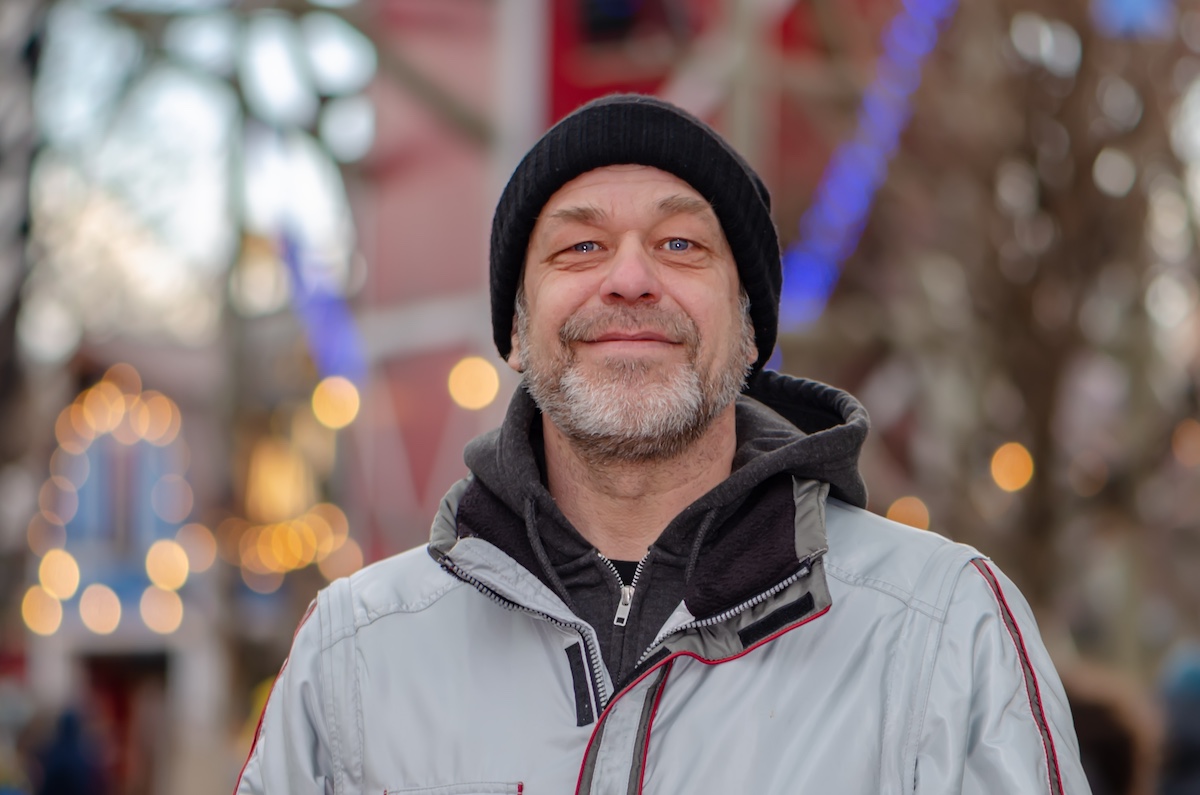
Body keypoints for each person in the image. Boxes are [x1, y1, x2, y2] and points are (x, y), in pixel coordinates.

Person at [236, 94, 1089, 794]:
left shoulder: (943, 630)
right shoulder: (355, 653)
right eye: (581, 246)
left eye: (681, 244)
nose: (631, 276)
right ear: (517, 335)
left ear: (750, 331)